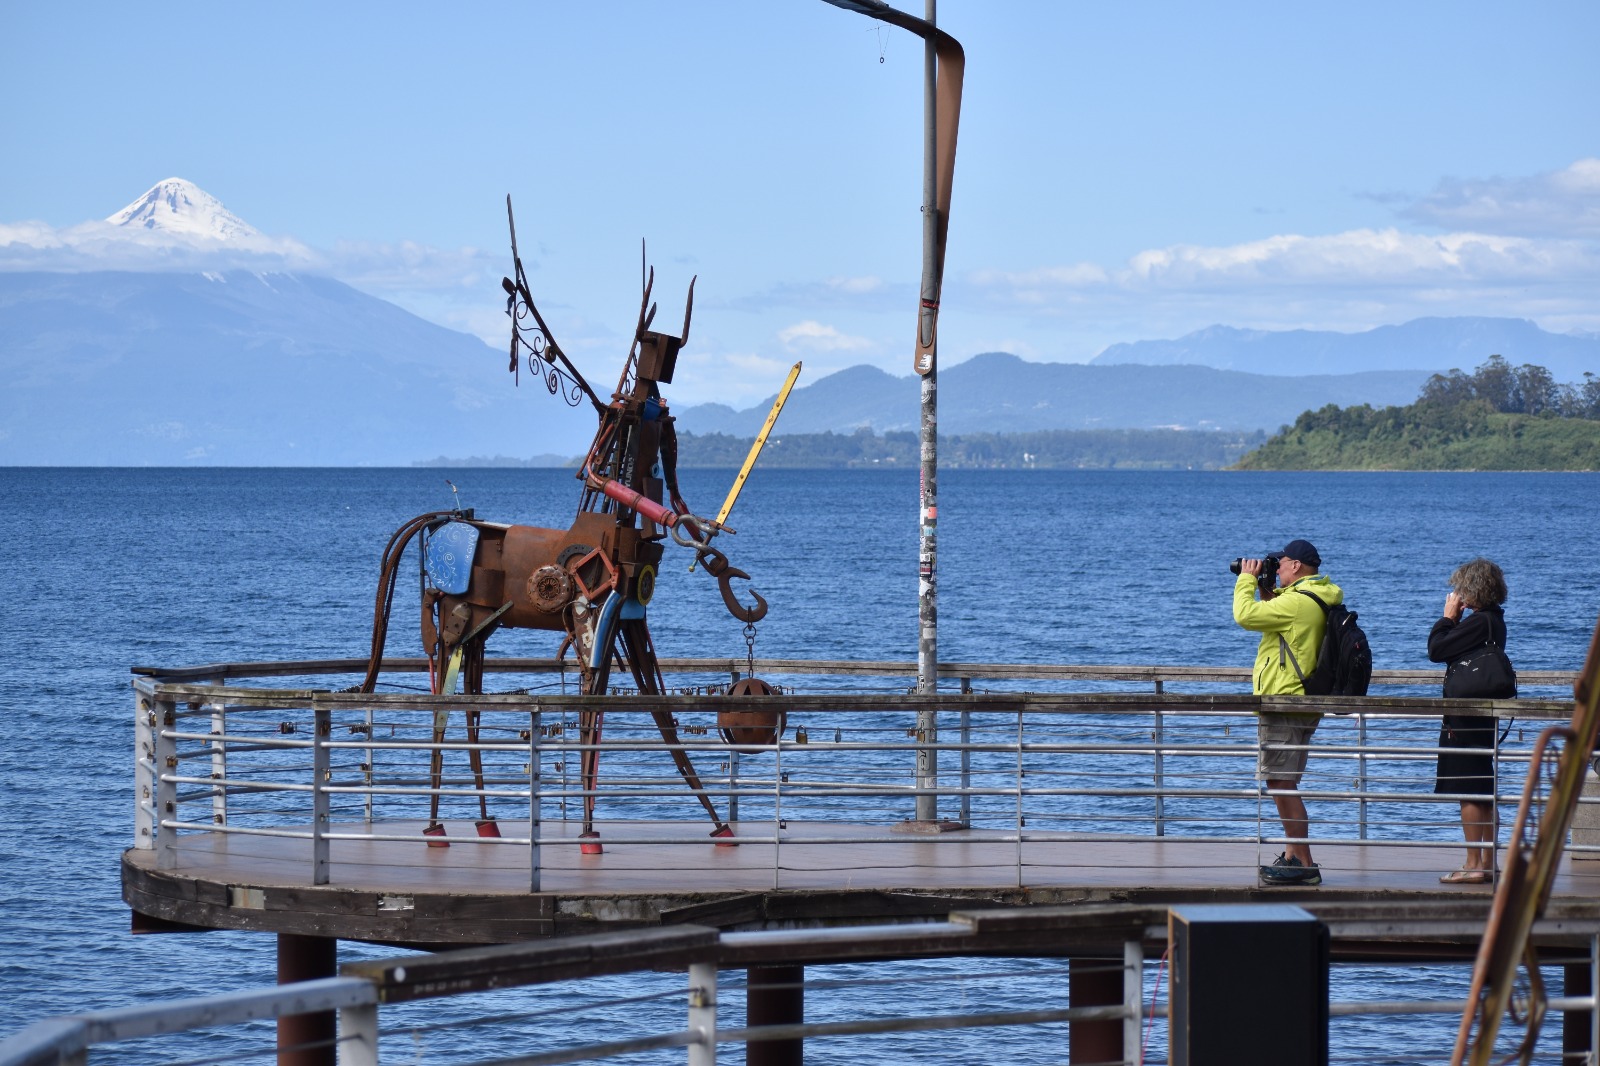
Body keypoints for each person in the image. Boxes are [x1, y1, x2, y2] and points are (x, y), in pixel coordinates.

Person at [1233, 538, 1344, 886]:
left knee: (1280, 783)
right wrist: (1267, 586)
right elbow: (1282, 618)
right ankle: (1294, 855)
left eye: (1280, 563)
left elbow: (1245, 615)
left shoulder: (1297, 603)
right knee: (1286, 781)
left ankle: (1305, 864)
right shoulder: (1315, 597)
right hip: (1301, 701)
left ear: (1296, 565)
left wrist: (1246, 581)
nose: (1275, 568)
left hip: (1283, 702)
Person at [1428, 558, 1511, 885]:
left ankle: (1474, 862)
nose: (1457, 594)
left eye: (1461, 588)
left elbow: (1436, 649)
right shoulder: (1495, 621)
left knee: (1470, 790)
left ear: (1474, 590)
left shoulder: (1478, 623)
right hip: (1481, 715)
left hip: (1465, 718)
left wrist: (1448, 618)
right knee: (1483, 788)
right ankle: (1488, 862)